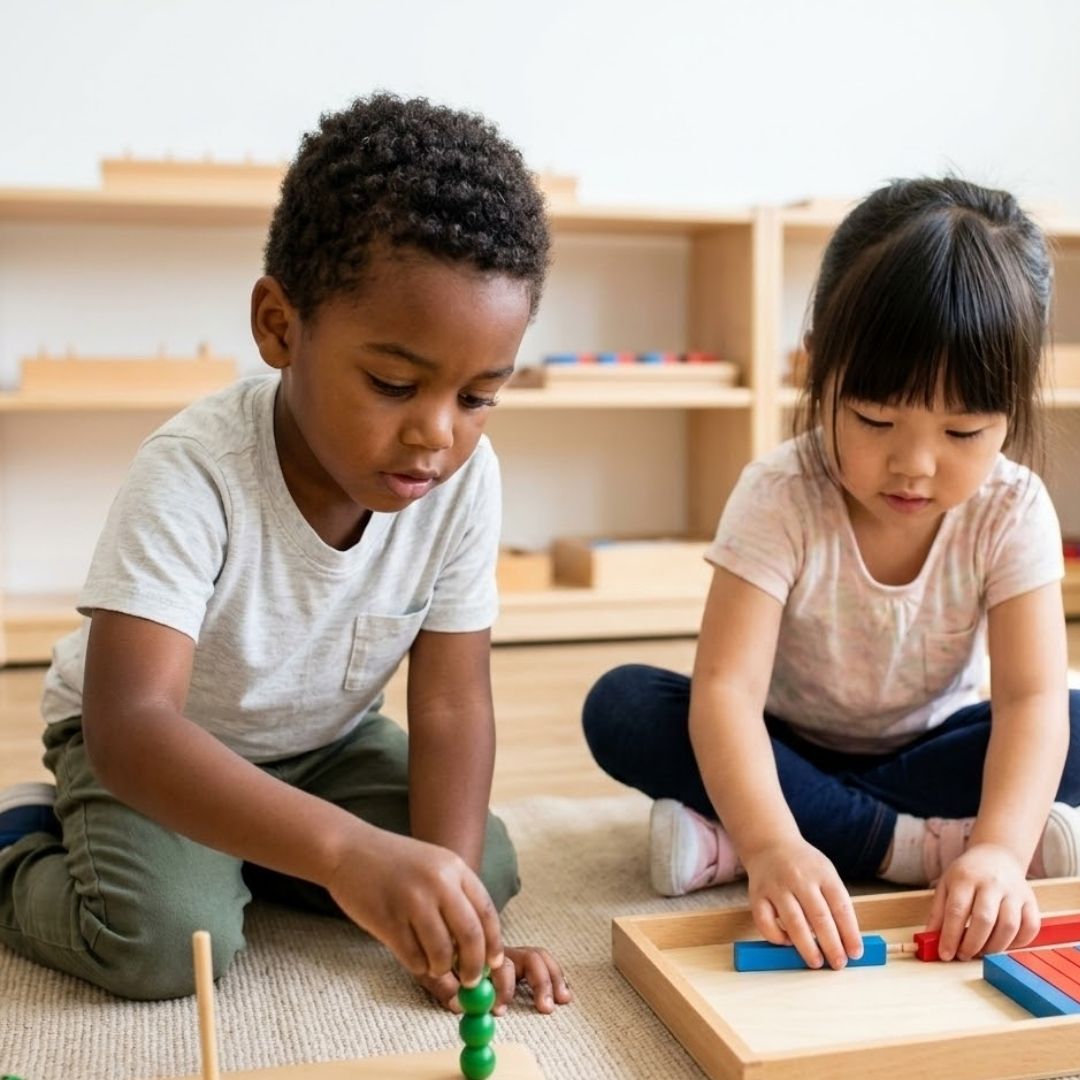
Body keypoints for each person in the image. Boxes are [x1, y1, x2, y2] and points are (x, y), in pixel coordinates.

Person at [0, 93, 572, 1016]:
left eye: (477, 397)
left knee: (479, 866)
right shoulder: (195, 472)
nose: (436, 433)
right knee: (163, 942)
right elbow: (132, 724)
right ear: (279, 327)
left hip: (323, 748)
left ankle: (248, 853)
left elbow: (454, 699)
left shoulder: (465, 480)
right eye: (394, 383)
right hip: (154, 750)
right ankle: (22, 842)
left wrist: (454, 920)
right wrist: (347, 854)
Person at [583, 177, 1080, 971]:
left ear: (1012, 410)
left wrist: (997, 851)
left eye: (962, 430)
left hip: (932, 747)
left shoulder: (1012, 508)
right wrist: (776, 843)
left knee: (1069, 719)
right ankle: (906, 845)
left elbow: (1027, 701)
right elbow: (727, 694)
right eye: (876, 421)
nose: (915, 466)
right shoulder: (780, 494)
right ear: (818, 371)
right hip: (788, 749)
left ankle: (738, 840)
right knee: (625, 707)